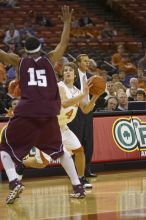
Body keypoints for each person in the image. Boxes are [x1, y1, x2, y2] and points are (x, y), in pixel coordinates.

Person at [0, 6, 86, 204]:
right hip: (49, 115)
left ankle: (14, 182)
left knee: (5, 148)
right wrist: (66, 23)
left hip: (27, 113)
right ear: (40, 47)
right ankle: (78, 186)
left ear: (25, 50)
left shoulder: (18, 61)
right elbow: (63, 43)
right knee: (61, 152)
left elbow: (2, 54)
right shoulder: (50, 59)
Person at [16, 62, 102, 188]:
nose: (67, 72)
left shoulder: (77, 91)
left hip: (62, 127)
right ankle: (22, 164)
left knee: (79, 150)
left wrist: (95, 96)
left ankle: (81, 179)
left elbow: (85, 110)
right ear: (62, 74)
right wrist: (83, 94)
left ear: (75, 75)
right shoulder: (59, 87)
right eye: (65, 70)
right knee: (42, 163)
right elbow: (65, 103)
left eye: (70, 70)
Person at [68, 54, 97, 177]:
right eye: (85, 61)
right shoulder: (73, 77)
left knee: (88, 142)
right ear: (78, 63)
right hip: (75, 112)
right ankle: (76, 173)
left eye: (88, 61)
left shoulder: (92, 78)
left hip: (88, 112)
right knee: (77, 142)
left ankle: (87, 169)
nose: (87, 63)